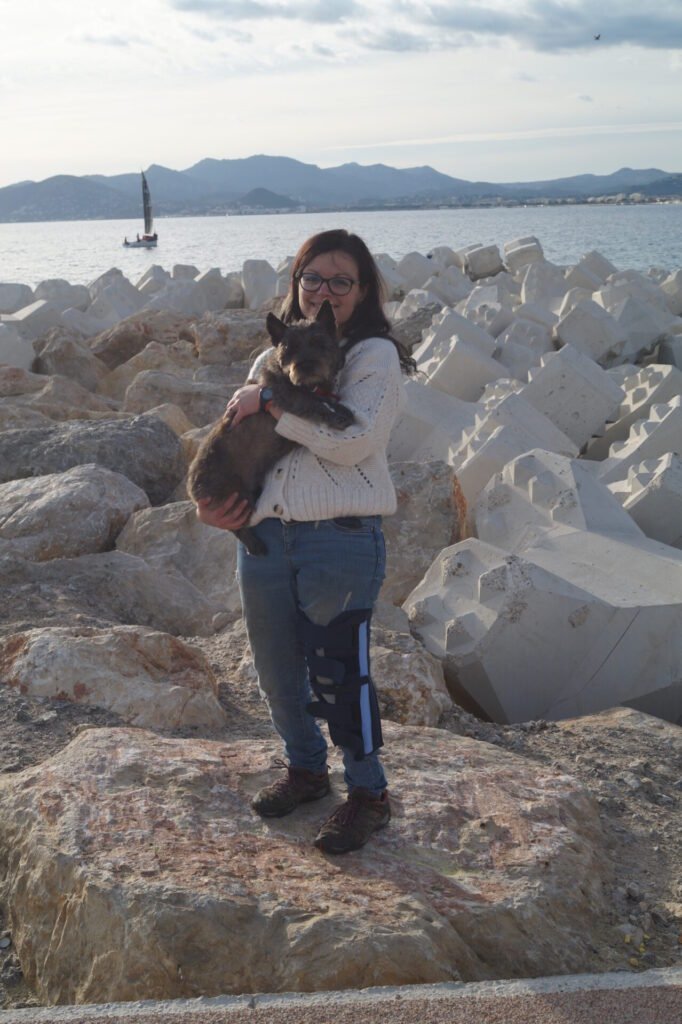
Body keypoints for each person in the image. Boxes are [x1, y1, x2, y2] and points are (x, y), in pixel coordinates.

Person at [195, 229, 415, 854]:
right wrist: (216, 510)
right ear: (297, 285)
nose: (324, 290)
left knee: (342, 675)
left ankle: (370, 796)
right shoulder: (276, 354)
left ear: (363, 289)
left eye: (340, 280)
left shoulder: (373, 356)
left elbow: (352, 443)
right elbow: (235, 438)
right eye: (312, 278)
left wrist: (271, 400)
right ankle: (307, 770)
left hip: (339, 538)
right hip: (265, 535)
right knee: (275, 672)